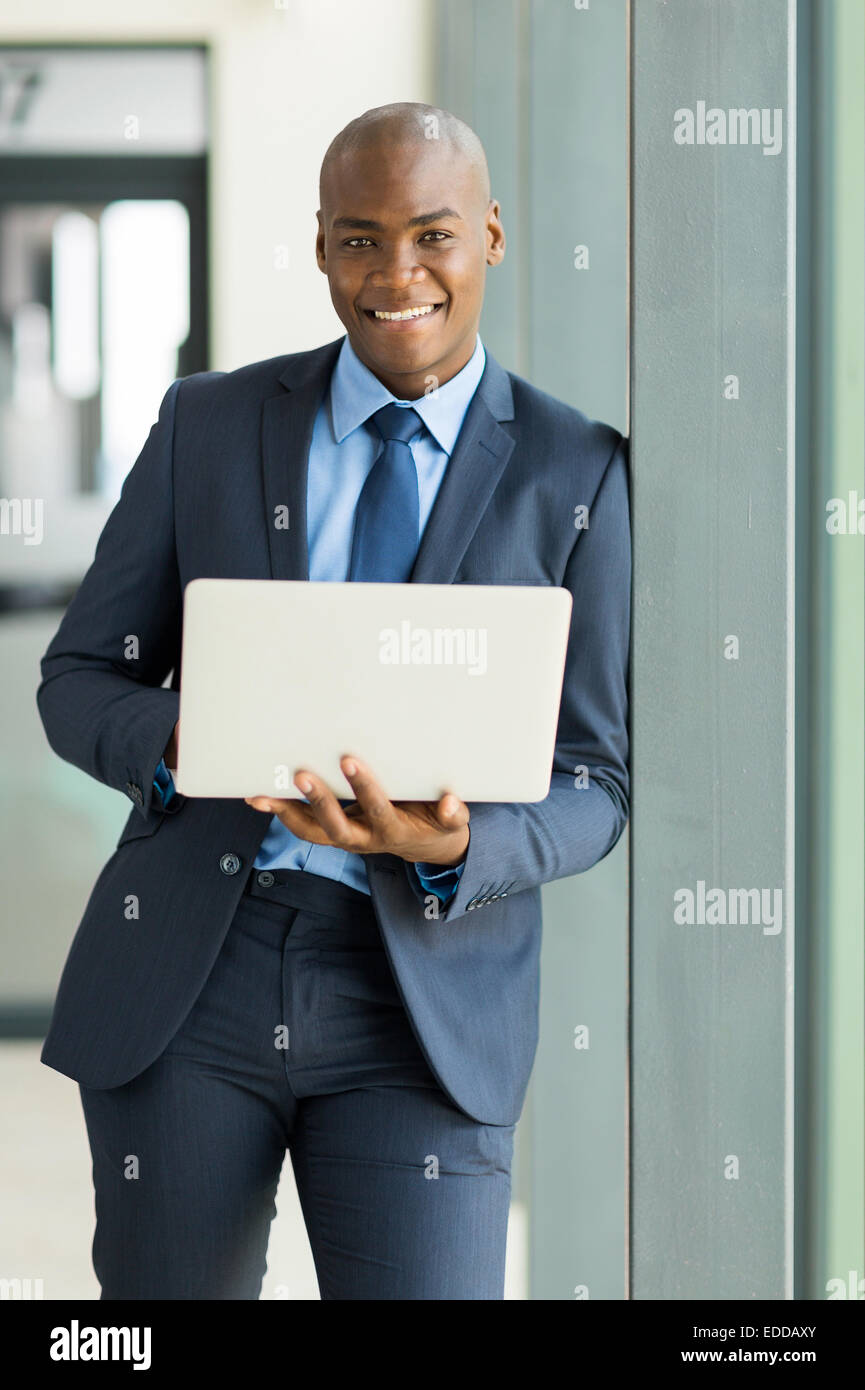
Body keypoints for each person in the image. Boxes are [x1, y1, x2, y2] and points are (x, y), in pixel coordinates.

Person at [36, 102, 631, 1301]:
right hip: (198, 972)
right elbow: (77, 679)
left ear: (492, 237)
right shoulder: (207, 425)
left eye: (431, 236)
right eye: (360, 240)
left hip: (425, 995)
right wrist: (179, 741)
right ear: (319, 245)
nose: (396, 274)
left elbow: (597, 778)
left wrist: (463, 842)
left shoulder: (575, 470)